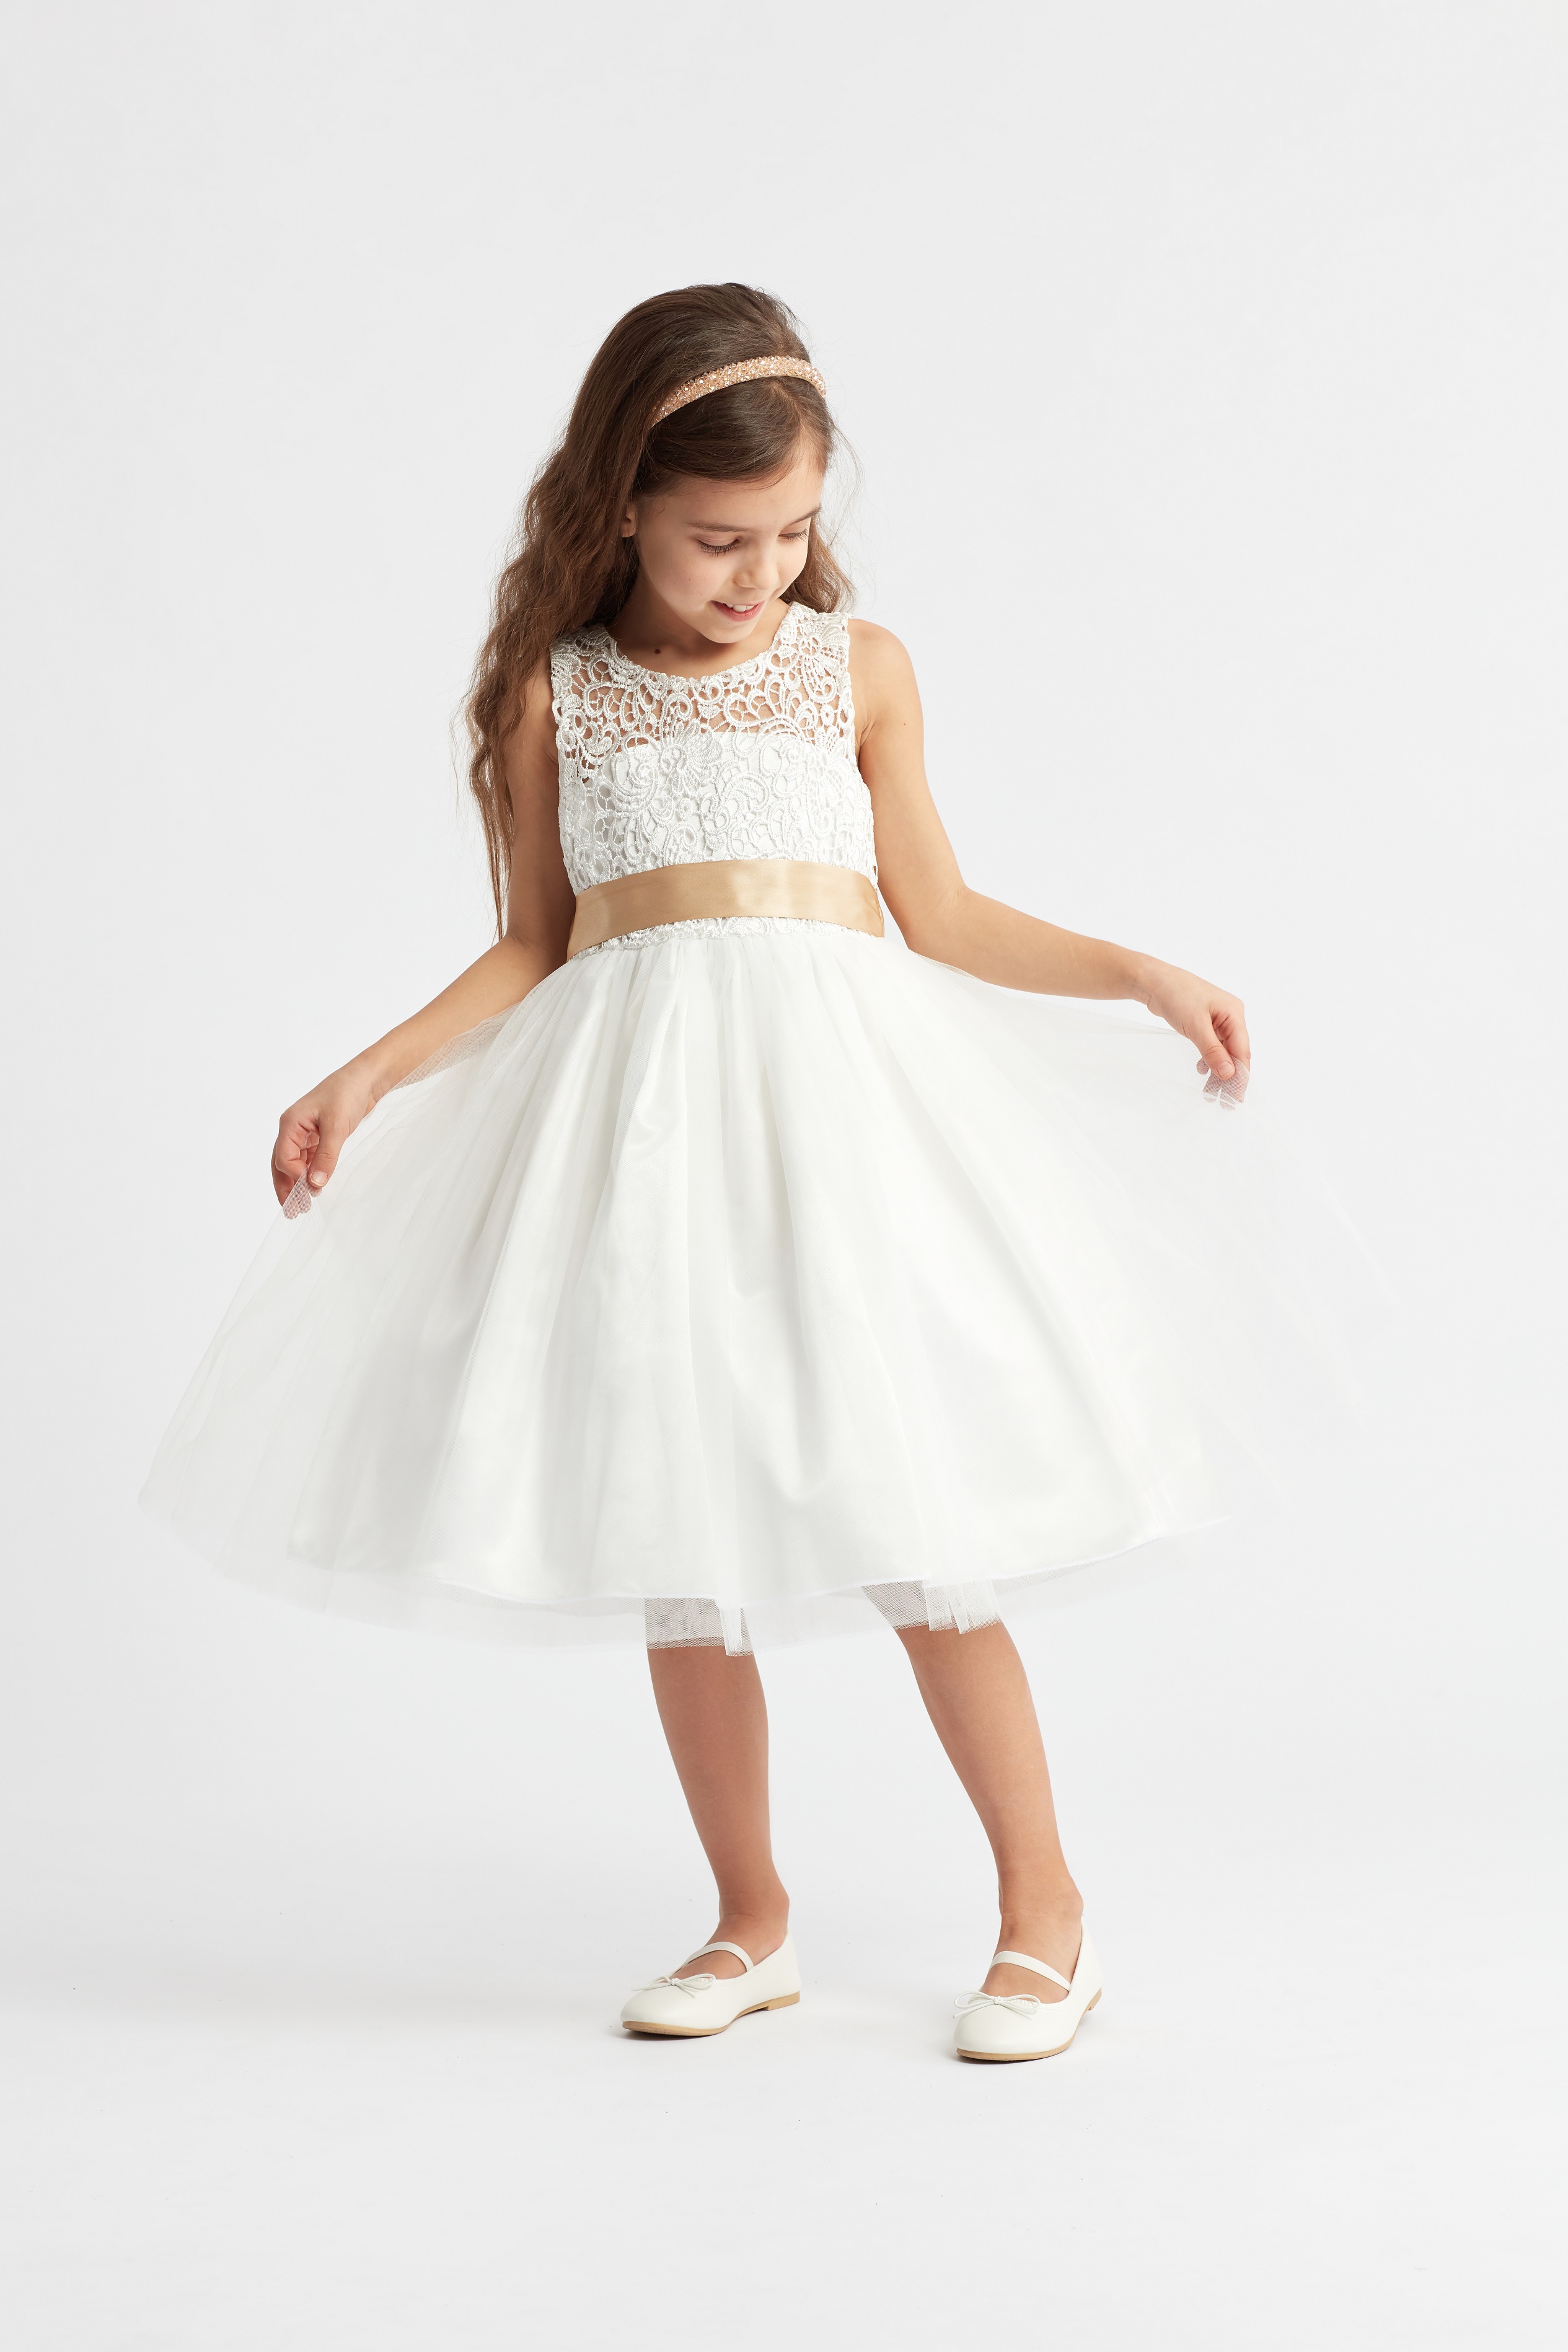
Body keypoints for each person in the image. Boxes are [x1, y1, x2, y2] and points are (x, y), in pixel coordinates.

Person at [144, 281, 1349, 2063]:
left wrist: (1137, 969)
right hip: (645, 1149)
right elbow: (533, 946)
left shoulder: (855, 670)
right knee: (681, 1529)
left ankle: (1047, 1913)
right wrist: (368, 1073)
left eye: (791, 533)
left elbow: (940, 911)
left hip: (844, 1136)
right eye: (721, 538)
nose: (762, 572)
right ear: (622, 501)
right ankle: (750, 1917)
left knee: (924, 1520)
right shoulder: (558, 695)